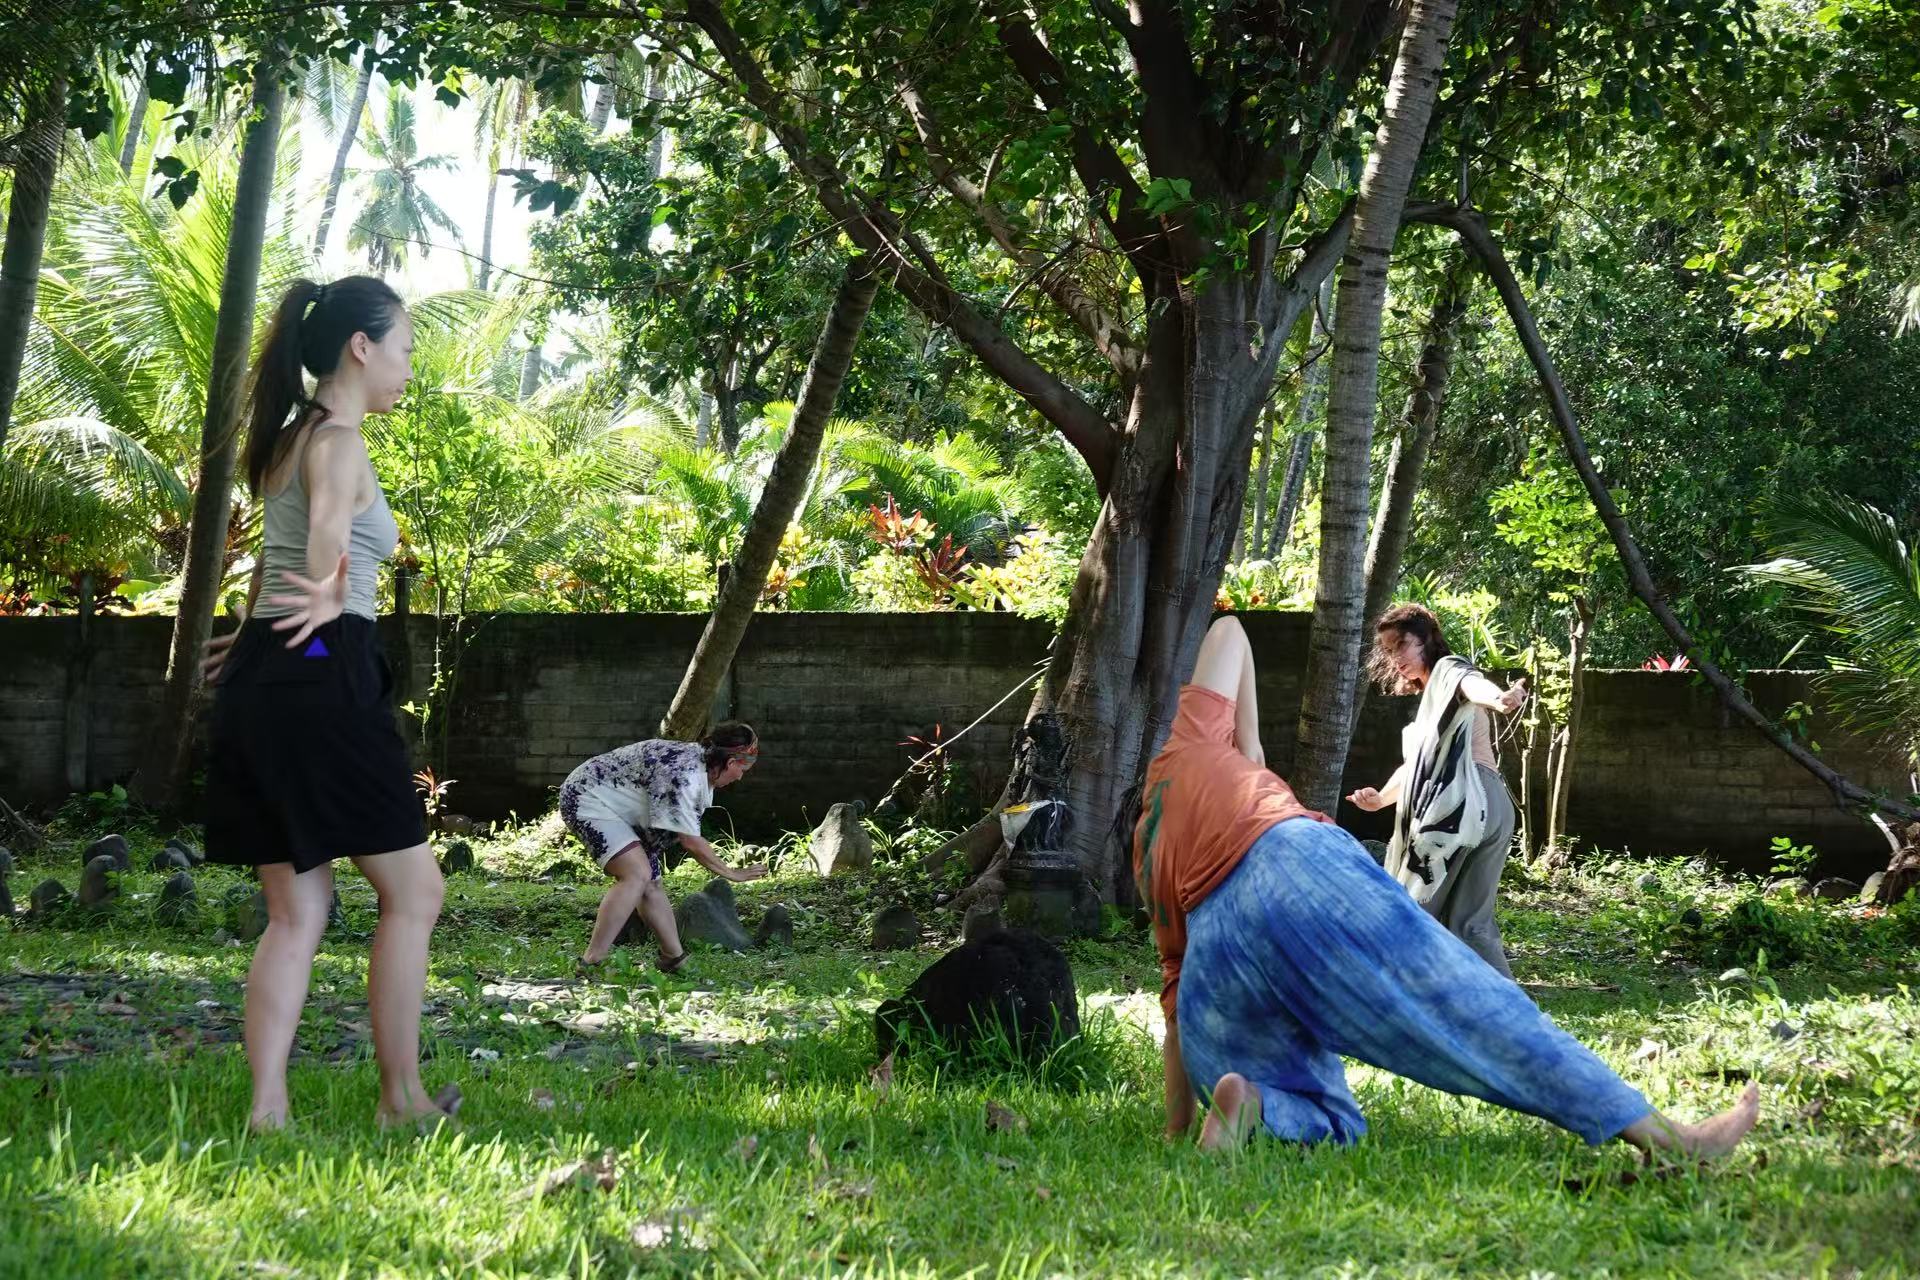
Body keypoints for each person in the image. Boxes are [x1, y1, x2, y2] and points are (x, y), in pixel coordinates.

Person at [1134, 615, 1760, 1156]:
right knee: (1455, 999)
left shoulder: (1148, 860)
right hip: (1292, 859)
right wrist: (1250, 745)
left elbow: (1178, 1018)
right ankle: (1668, 1139)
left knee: (1323, 1113)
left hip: (1211, 926)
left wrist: (1174, 1127)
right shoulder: (1186, 742)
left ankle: (1251, 1104)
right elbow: (1230, 632)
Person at [202, 276, 453, 1131]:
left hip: (269, 675)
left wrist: (263, 631)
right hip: (322, 670)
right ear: (361, 346)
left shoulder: (284, 439)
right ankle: (401, 1099)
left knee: (296, 909)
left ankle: (267, 1110)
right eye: (406, 350)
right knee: (416, 893)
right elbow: (321, 551)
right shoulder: (339, 441)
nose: (408, 371)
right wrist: (317, 605)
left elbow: (282, 568)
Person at [1348, 603, 1528, 977]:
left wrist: (1500, 698)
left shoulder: (1447, 670)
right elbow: (1414, 768)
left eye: (1401, 644)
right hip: (1492, 807)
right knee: (1472, 926)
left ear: (1426, 639)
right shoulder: (1433, 703)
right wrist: (1381, 798)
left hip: (1461, 804)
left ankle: (1401, 1011)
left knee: (1410, 915)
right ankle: (1514, 1022)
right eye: (1388, 649)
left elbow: (1469, 681)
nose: (1395, 657)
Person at [562, 723, 770, 968]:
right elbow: (690, 841)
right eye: (743, 769)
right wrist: (731, 873)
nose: (741, 777)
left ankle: (674, 957)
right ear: (731, 763)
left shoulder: (698, 764)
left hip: (617, 808)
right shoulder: (686, 776)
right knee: (636, 874)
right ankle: (591, 961)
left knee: (651, 884)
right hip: (586, 798)